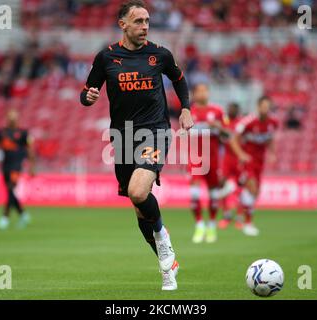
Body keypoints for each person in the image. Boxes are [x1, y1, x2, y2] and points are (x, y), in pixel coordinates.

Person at [79, 0, 193, 291]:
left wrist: (186, 109)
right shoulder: (106, 58)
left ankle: (163, 240)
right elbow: (87, 91)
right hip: (123, 136)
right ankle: (167, 265)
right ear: (123, 25)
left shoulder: (160, 55)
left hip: (155, 131)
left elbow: (179, 80)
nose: (145, 27)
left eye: (147, 21)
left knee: (138, 191)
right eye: (139, 21)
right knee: (139, 207)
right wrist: (88, 97)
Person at [229, 96, 278, 236]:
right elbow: (233, 138)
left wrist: (273, 153)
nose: (265, 109)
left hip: (260, 162)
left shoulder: (273, 122)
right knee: (252, 188)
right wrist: (240, 154)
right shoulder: (249, 121)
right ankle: (248, 223)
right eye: (263, 106)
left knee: (255, 193)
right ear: (258, 106)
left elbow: (270, 138)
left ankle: (239, 195)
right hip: (248, 161)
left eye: (268, 107)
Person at [0, 109, 36, 230]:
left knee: (10, 189)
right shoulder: (1, 133)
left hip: (17, 165)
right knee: (10, 191)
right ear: (7, 118)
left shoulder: (23, 133)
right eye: (10, 117)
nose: (12, 119)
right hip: (6, 165)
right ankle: (23, 214)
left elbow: (29, 150)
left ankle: (5, 218)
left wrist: (32, 166)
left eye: (15, 117)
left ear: (17, 119)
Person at [188, 83, 226, 243]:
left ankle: (211, 224)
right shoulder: (189, 112)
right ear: (194, 94)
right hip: (196, 159)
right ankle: (199, 224)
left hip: (213, 159)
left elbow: (227, 135)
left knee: (213, 194)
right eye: (200, 91)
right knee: (194, 192)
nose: (203, 94)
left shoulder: (217, 111)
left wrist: (218, 126)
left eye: (205, 90)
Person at [217, 102, 241, 230]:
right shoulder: (225, 122)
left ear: (237, 111)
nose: (230, 111)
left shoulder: (241, 123)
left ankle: (239, 217)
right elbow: (221, 138)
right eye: (229, 109)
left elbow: (238, 137)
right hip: (227, 159)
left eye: (233, 109)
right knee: (221, 185)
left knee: (241, 188)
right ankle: (226, 216)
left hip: (238, 158)